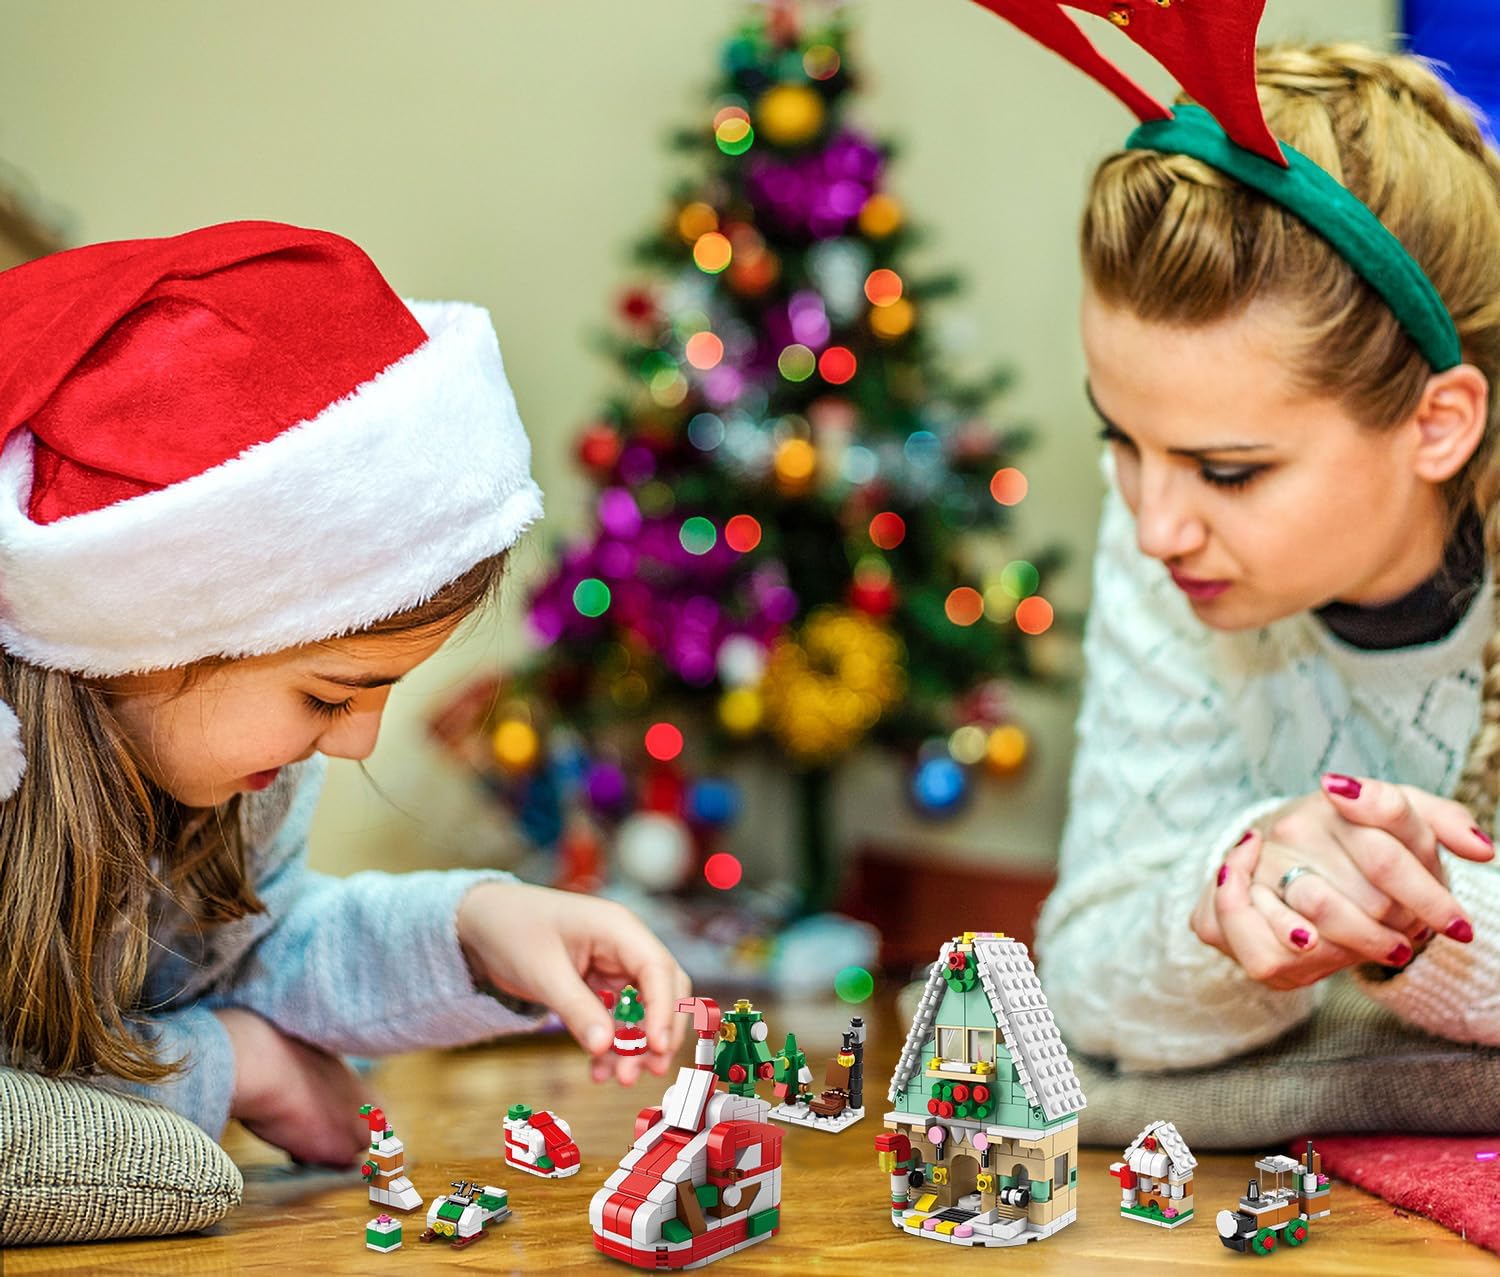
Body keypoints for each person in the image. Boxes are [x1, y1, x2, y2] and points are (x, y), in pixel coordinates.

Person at [0, 221, 690, 1168]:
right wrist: (234, 1065)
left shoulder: (238, 771)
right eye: (329, 696)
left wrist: (477, 929)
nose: (355, 744)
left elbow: (266, 950)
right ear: (144, 632)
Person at [1035, 45, 1500, 1074]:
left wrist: (1393, 902)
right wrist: (1244, 882)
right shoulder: (1169, 530)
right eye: (1119, 437)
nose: (1156, 527)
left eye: (1229, 470)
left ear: (1439, 424)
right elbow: (1081, 975)